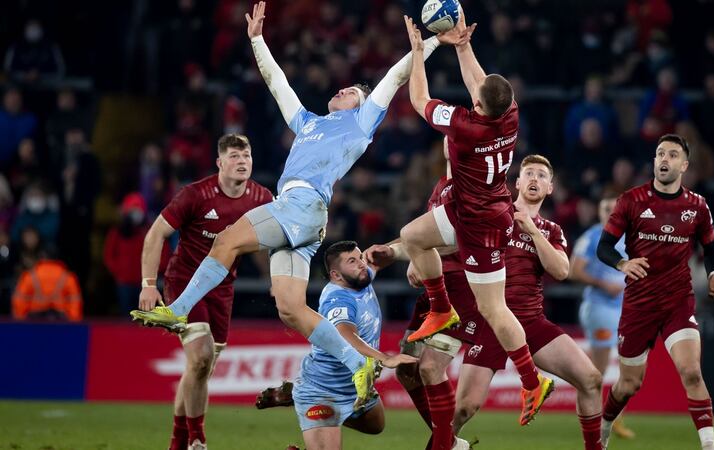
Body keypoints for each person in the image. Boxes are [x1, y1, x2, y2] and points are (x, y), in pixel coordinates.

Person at [130, 0, 470, 407]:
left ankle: (179, 309)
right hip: (302, 216)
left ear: (363, 106)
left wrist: (429, 43)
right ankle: (357, 362)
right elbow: (279, 85)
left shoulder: (361, 122)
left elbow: (395, 79)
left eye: (353, 92)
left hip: (302, 206)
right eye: (344, 88)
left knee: (225, 241)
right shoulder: (309, 122)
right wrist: (257, 40)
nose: (344, 90)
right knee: (291, 309)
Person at [399, 13, 552, 429]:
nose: (472, 96)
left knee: (493, 308)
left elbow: (418, 100)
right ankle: (441, 308)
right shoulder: (509, 115)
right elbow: (480, 84)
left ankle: (532, 380)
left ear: (480, 106)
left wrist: (418, 53)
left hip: (481, 225)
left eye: (476, 97)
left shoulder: (467, 128)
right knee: (413, 235)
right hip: (473, 208)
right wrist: (462, 45)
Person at [452, 155, 603, 450]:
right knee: (463, 409)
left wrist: (532, 230)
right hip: (491, 322)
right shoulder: (495, 215)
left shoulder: (551, 231)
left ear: (550, 188)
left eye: (542, 175)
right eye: (529, 173)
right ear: (517, 183)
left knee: (591, 380)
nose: (534, 179)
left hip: (531, 322)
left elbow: (561, 271)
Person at [135, 134, 273, 450]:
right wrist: (148, 285)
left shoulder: (262, 198)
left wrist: (275, 280)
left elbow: (269, 243)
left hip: (222, 290)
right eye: (235, 156)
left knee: (199, 369)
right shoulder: (195, 195)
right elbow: (155, 235)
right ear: (220, 163)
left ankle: (177, 442)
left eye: (247, 155)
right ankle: (197, 438)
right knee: (201, 358)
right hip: (184, 282)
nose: (242, 162)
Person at [596, 134, 714, 450]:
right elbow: (604, 247)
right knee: (629, 385)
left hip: (677, 302)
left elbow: (711, 249)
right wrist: (622, 264)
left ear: (684, 165)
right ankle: (604, 426)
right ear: (654, 161)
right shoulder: (631, 200)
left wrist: (713, 275)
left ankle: (709, 447)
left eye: (672, 154)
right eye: (659, 154)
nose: (664, 159)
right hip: (639, 304)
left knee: (692, 373)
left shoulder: (697, 206)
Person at [364, 141, 482, 450]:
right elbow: (420, 238)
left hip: (462, 292)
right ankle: (452, 443)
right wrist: (391, 250)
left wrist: (420, 256)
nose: (452, 140)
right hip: (435, 289)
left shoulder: (475, 190)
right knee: (406, 369)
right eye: (449, 137)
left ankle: (443, 445)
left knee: (430, 368)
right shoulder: (441, 188)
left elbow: (459, 241)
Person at [259, 241, 418, 450]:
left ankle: (294, 398)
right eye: (352, 261)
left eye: (360, 257)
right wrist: (385, 358)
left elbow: (385, 256)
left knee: (376, 425)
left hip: (355, 388)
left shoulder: (360, 277)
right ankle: (305, 402)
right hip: (323, 390)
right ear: (336, 275)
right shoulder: (338, 299)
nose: (361, 264)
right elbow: (344, 334)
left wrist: (391, 248)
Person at [570, 191, 635, 440]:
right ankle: (595, 420)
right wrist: (602, 284)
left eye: (612, 209)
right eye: (604, 209)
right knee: (597, 370)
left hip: (624, 309)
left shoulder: (630, 236)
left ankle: (614, 418)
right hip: (600, 308)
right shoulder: (593, 236)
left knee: (628, 368)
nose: (608, 213)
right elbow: (574, 270)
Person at [12, 246, 82, 322]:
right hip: (61, 321)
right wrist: (74, 322)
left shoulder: (30, 276)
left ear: (43, 256)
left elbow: (19, 299)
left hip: (34, 320)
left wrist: (20, 319)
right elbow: (75, 301)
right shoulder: (68, 277)